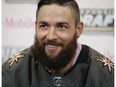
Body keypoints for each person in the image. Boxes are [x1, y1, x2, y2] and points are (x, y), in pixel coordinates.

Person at [2, 0, 114, 87]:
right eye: (44, 26)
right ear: (36, 27)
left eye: (61, 27)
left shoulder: (106, 76)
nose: (51, 36)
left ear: (78, 29)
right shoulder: (12, 73)